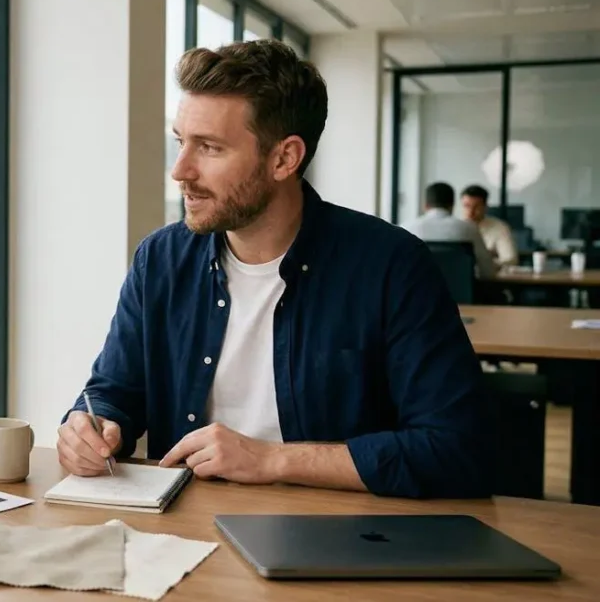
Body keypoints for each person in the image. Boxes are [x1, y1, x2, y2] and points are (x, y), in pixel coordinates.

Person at [56, 40, 491, 499]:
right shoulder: (160, 260)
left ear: (284, 158)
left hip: (338, 536)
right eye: (181, 142)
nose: (180, 170)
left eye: (209, 148)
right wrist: (91, 425)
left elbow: (457, 447)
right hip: (184, 528)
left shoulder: (392, 265)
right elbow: (113, 391)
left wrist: (271, 459)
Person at [401, 182, 498, 278]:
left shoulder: (405, 228)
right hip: (461, 292)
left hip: (416, 292)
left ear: (426, 205)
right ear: (452, 205)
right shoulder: (469, 229)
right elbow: (488, 272)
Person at [460, 184, 518, 266]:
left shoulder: (500, 228)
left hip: (488, 276)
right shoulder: (455, 227)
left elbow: (511, 259)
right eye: (466, 206)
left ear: (485, 207)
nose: (470, 212)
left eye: (476, 207)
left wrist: (485, 263)